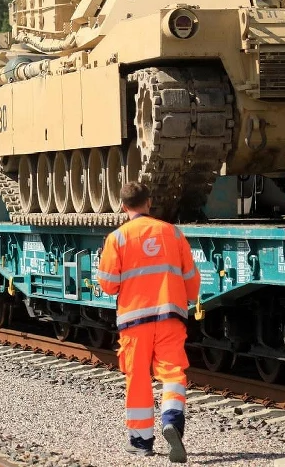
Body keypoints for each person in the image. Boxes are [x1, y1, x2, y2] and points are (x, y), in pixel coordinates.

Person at [97, 181, 200, 463]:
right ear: (149, 203)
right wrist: (188, 298)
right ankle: (172, 420)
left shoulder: (117, 238)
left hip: (134, 321)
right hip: (170, 315)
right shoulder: (172, 232)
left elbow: (107, 284)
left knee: (138, 378)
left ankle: (141, 442)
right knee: (173, 372)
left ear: (122, 206)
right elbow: (191, 278)